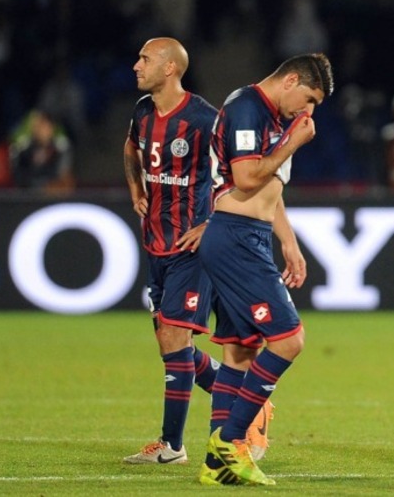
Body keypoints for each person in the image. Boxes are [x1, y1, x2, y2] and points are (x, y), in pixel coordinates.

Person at [121, 37, 286, 466]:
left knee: (175, 337)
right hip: (156, 241)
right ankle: (252, 403)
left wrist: (212, 224)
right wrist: (136, 187)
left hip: (194, 248)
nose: (137, 65)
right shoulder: (142, 111)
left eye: (145, 59)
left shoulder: (203, 119)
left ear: (171, 68)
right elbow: (129, 148)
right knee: (169, 344)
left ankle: (172, 445)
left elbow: (240, 175)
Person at [197, 53, 334, 486]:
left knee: (239, 351)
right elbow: (245, 179)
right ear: (290, 80)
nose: (308, 111)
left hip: (250, 234)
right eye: (309, 98)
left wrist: (288, 241)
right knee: (289, 340)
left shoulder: (271, 117)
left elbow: (269, 188)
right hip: (234, 236)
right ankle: (232, 439)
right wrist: (293, 143)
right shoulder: (246, 108)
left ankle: (216, 467)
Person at [10, 109, 75, 193]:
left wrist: (50, 186)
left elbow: (63, 175)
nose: (43, 130)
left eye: (46, 126)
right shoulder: (23, 149)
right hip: (28, 195)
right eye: (39, 126)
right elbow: (19, 177)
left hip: (54, 194)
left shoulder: (61, 148)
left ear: (52, 128)